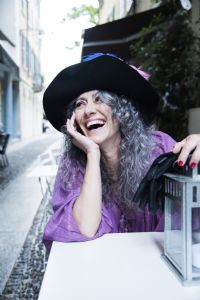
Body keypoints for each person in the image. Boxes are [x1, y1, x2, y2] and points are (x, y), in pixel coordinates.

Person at [42, 53, 200, 251]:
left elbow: (192, 208)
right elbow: (84, 229)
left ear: (121, 111)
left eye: (99, 99)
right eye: (80, 104)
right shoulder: (73, 164)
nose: (89, 110)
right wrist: (92, 153)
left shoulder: (159, 149)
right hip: (104, 268)